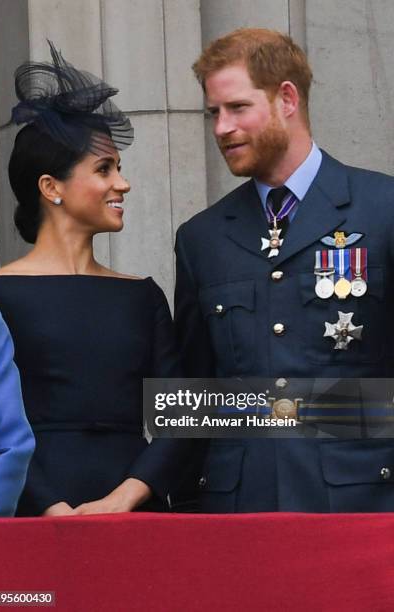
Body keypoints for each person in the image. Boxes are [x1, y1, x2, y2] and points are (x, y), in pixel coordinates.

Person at [174, 28, 394, 512]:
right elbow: (195, 399)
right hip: (239, 509)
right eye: (214, 113)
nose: (220, 128)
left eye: (237, 108)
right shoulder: (201, 238)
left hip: (362, 504)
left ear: (287, 99)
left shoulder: (383, 209)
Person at [0, 41, 190, 517]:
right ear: (51, 187)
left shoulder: (141, 295)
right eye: (105, 169)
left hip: (135, 517)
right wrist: (50, 506)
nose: (123, 183)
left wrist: (126, 498)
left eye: (119, 168)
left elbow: (180, 417)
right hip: (26, 514)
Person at [0, 299, 34, 516]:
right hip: (40, 486)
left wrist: (142, 480)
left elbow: (155, 414)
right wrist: (48, 500)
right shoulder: (1, 288)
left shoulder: (146, 296)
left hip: (128, 480)